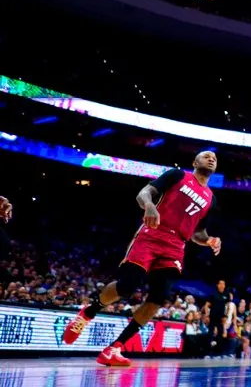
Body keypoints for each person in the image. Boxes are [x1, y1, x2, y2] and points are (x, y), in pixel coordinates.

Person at [62, 152, 222, 366]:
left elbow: (198, 233)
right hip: (152, 234)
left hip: (176, 246)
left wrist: (209, 240)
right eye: (206, 156)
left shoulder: (211, 199)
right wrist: (149, 205)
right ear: (195, 162)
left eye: (214, 158)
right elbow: (144, 193)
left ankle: (114, 348)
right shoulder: (177, 175)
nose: (211, 159)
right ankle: (87, 313)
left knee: (159, 297)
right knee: (127, 286)